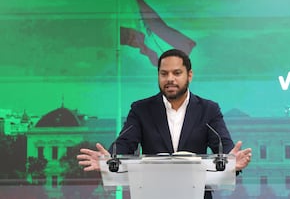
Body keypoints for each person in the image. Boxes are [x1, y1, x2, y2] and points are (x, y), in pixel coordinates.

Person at [77, 49, 252, 199]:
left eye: (177, 73)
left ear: (189, 75)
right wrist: (109, 159)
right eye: (164, 73)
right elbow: (125, 143)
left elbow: (223, 145)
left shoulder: (208, 109)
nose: (170, 79)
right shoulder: (141, 109)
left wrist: (231, 162)